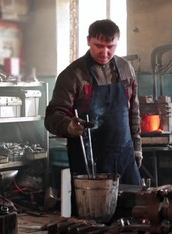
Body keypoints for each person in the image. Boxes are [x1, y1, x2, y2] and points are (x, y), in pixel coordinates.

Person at [44, 19, 142, 214]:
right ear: (88, 40)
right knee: (92, 216)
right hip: (89, 160)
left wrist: (137, 147)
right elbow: (52, 116)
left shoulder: (126, 69)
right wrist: (69, 125)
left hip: (124, 155)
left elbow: (134, 112)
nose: (104, 53)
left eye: (110, 47)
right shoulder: (73, 75)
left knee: (134, 210)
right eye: (99, 46)